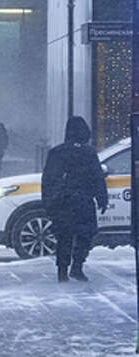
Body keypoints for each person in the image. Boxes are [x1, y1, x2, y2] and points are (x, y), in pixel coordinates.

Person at [41, 116, 108, 283]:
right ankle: (77, 266)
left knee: (64, 238)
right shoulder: (89, 153)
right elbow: (97, 177)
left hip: (62, 203)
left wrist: (48, 203)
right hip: (83, 202)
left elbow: (47, 180)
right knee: (85, 235)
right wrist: (102, 198)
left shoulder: (56, 153)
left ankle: (62, 271)